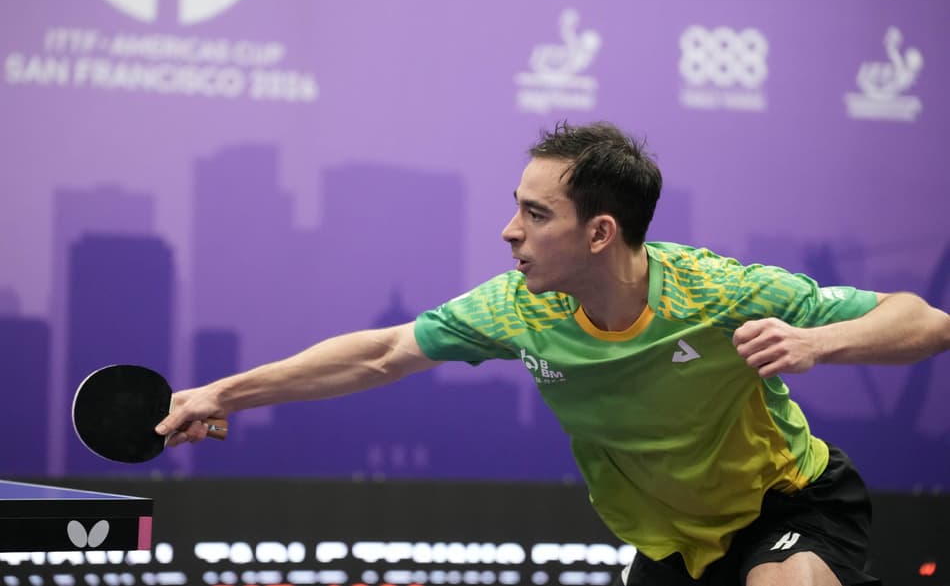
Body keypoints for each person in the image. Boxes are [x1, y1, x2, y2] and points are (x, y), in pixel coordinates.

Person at [156, 121, 950, 586]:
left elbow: (925, 320)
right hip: (669, 544)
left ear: (600, 232)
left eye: (535, 214)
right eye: (515, 209)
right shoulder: (517, 307)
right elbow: (382, 352)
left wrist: (819, 339)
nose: (511, 232)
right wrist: (222, 394)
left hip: (790, 503)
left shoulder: (721, 292)